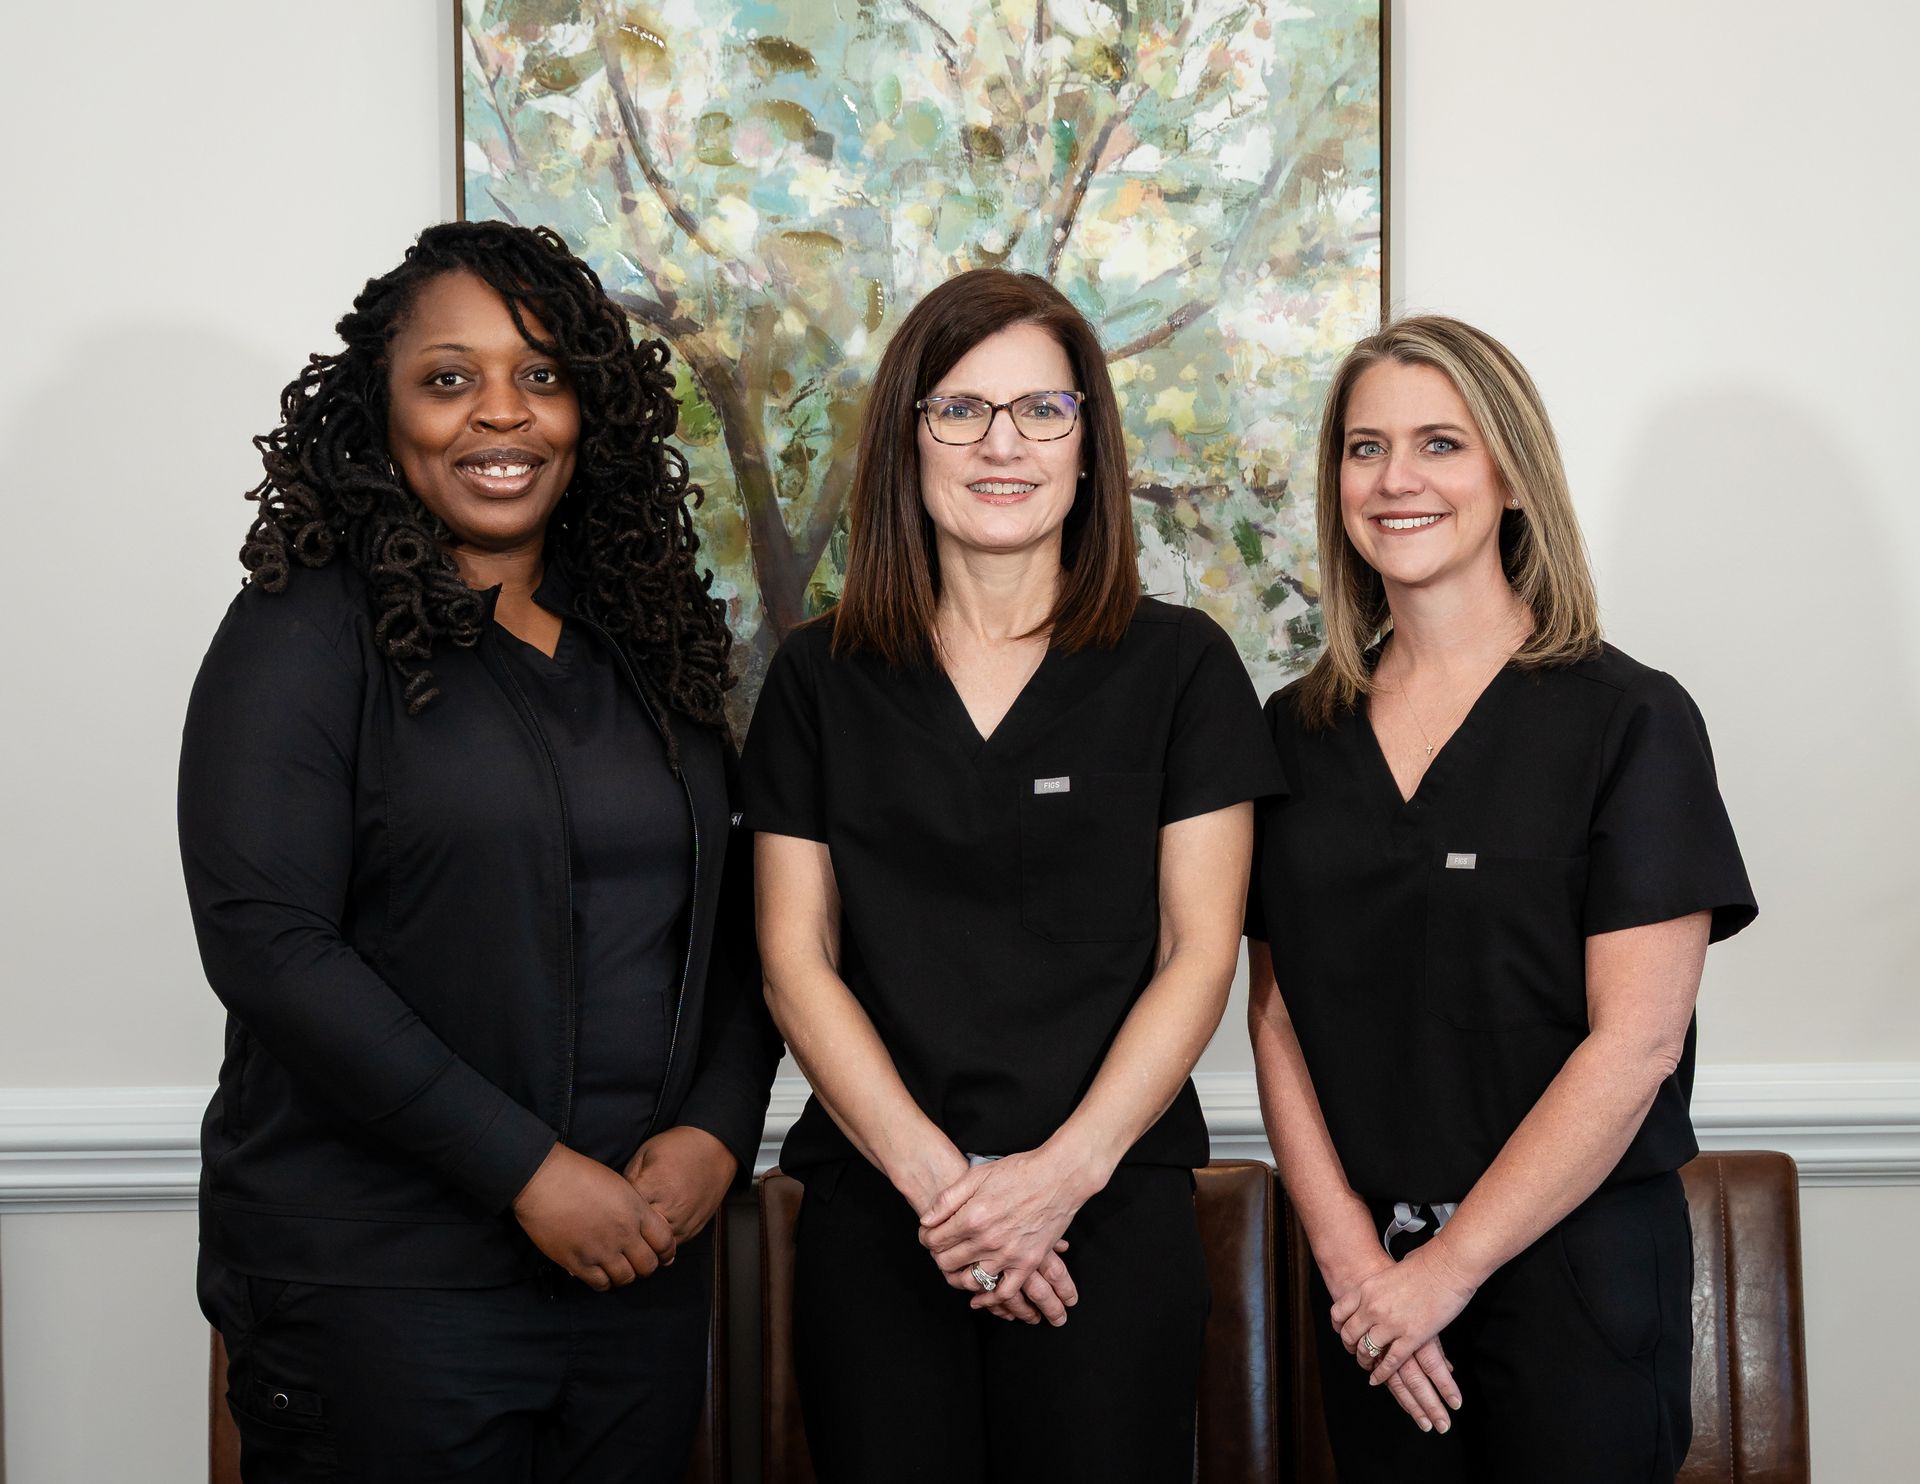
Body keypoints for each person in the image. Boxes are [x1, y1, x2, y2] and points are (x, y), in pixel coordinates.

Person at [178, 221, 780, 1481]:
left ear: (589, 408)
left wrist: (719, 1128)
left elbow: (734, 919)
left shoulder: (645, 635)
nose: (502, 413)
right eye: (449, 378)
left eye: (542, 375)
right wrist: (529, 1173)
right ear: (379, 409)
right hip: (381, 1284)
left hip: (635, 1271)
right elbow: (268, 941)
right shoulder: (304, 628)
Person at [740, 268, 1285, 1482]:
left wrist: (1058, 1179)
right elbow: (792, 958)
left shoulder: (1183, 669)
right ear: (909, 440)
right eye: (961, 409)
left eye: (1043, 409)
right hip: (883, 1209)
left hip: (1111, 1207)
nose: (1004, 444)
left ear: (1088, 445)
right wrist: (951, 1191)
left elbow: (1200, 952)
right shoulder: (819, 678)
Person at [1245, 315, 1756, 1482]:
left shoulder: (1629, 720)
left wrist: (1447, 1269)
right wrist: (1356, 1263)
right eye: (1366, 447)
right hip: (1370, 1286)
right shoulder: (1294, 732)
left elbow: (1637, 1043)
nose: (1397, 479)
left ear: (1513, 476)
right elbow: (1275, 1014)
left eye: (1441, 443)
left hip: (1575, 1271)